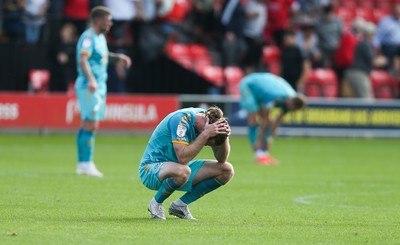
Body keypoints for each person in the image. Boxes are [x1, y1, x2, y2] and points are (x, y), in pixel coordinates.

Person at [139, 106, 234, 220]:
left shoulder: (209, 121)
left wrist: (225, 136)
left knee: (226, 170)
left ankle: (180, 206)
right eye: (207, 143)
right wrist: (205, 135)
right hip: (150, 169)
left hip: (179, 168)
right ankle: (155, 204)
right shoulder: (181, 120)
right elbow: (182, 158)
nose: (205, 145)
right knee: (183, 171)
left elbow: (221, 159)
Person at [75, 6, 132, 177]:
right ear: (99, 21)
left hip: (99, 86)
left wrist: (118, 58)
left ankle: (83, 163)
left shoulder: (100, 38)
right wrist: (91, 80)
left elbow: (103, 56)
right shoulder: (88, 37)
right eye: (108, 21)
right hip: (88, 86)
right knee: (91, 123)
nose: (111, 24)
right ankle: (86, 163)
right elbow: (83, 60)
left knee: (89, 123)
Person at [239, 72, 306, 164]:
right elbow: (265, 120)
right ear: (290, 102)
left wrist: (268, 139)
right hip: (249, 85)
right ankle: (257, 151)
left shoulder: (292, 99)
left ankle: (264, 152)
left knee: (269, 122)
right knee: (253, 117)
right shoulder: (275, 96)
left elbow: (277, 121)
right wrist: (259, 141)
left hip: (263, 87)